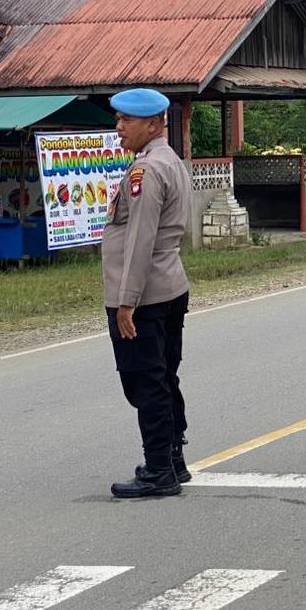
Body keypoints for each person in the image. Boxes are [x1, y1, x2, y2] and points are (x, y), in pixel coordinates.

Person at [103, 88, 193, 499]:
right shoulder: (168, 160)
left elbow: (140, 240)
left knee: (144, 381)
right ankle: (173, 458)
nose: (119, 127)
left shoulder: (147, 170)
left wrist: (127, 302)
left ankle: (159, 470)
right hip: (169, 284)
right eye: (119, 118)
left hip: (146, 294)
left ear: (154, 124)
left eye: (127, 120)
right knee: (164, 375)